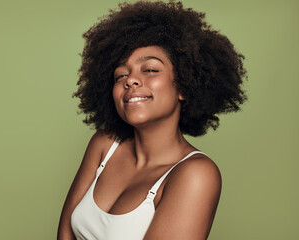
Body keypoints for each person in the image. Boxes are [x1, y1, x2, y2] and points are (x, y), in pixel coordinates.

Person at [57, 1, 247, 239]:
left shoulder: (196, 174)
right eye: (121, 75)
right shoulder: (105, 144)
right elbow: (65, 234)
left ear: (184, 86)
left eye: (149, 70)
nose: (131, 81)